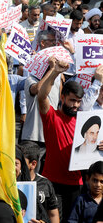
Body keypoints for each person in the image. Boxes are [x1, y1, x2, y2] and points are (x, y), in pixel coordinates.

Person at [38, 57, 84, 221]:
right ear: (62, 97)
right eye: (72, 100)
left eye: (78, 102)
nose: (75, 105)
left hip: (76, 184)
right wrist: (55, 72)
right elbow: (41, 97)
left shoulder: (84, 123)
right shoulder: (51, 117)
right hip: (52, 183)